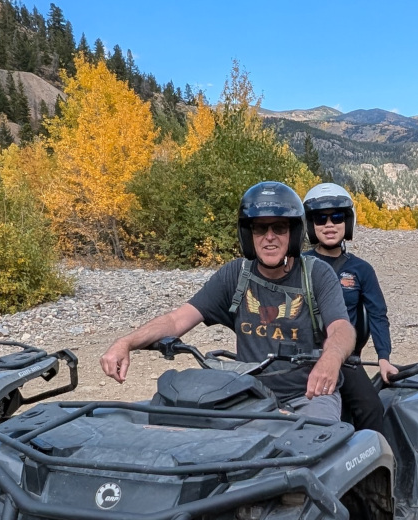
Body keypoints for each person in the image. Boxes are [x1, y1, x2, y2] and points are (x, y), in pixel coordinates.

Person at [100, 181, 359, 423]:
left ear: (293, 233)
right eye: (260, 227)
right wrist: (126, 343)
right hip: (247, 393)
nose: (269, 236)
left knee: (316, 446)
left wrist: (331, 358)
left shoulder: (316, 274)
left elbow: (342, 328)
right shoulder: (236, 275)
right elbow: (177, 320)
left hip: (309, 394)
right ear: (249, 234)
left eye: (279, 227)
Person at [302, 182, 398, 383]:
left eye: (337, 217)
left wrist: (384, 357)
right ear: (311, 225)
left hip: (345, 361)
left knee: (371, 410)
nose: (329, 224)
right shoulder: (298, 265)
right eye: (321, 218)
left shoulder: (361, 269)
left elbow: (377, 315)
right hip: (300, 360)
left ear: (347, 221)